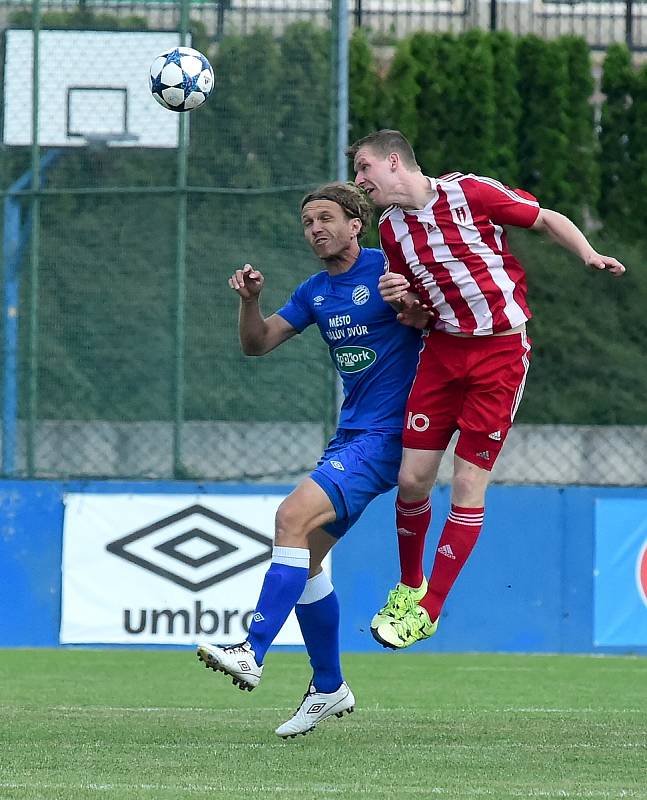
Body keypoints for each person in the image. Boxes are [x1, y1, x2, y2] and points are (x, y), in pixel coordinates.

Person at [348, 129, 626, 650]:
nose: (360, 181)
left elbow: (544, 219)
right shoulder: (390, 232)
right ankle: (411, 587)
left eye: (364, 168)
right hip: (443, 353)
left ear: (392, 162)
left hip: (499, 356)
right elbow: (416, 314)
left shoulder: (469, 193)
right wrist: (399, 299)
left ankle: (429, 611)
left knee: (468, 485)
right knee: (412, 480)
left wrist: (588, 254)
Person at [196, 182, 428, 738]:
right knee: (307, 562)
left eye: (326, 217)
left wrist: (412, 305)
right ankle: (329, 687)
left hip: (388, 436)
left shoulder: (389, 268)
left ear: (357, 223)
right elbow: (258, 344)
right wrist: (250, 301)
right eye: (307, 222)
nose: (315, 228)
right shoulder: (316, 291)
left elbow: (430, 320)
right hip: (350, 436)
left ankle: (252, 650)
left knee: (288, 519)